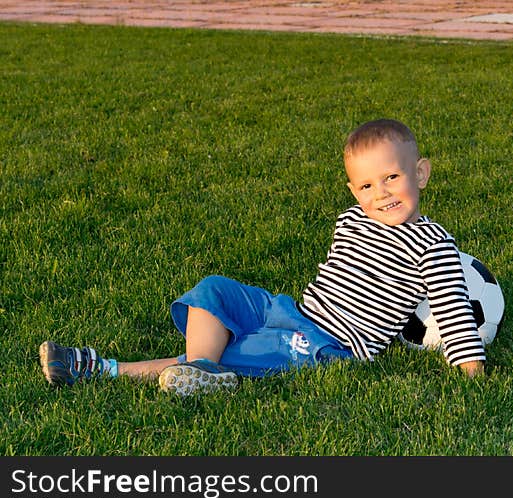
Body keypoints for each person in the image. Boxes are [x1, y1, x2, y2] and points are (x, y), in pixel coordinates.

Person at [40, 118, 486, 396]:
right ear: (354, 191)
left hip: (329, 345)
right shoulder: (350, 219)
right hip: (291, 310)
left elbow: (454, 311)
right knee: (215, 289)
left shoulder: (433, 244)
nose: (382, 193)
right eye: (367, 185)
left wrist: (471, 373)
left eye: (392, 177)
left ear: (421, 173)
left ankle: (101, 370)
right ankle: (202, 368)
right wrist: (278, 313)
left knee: (238, 350)